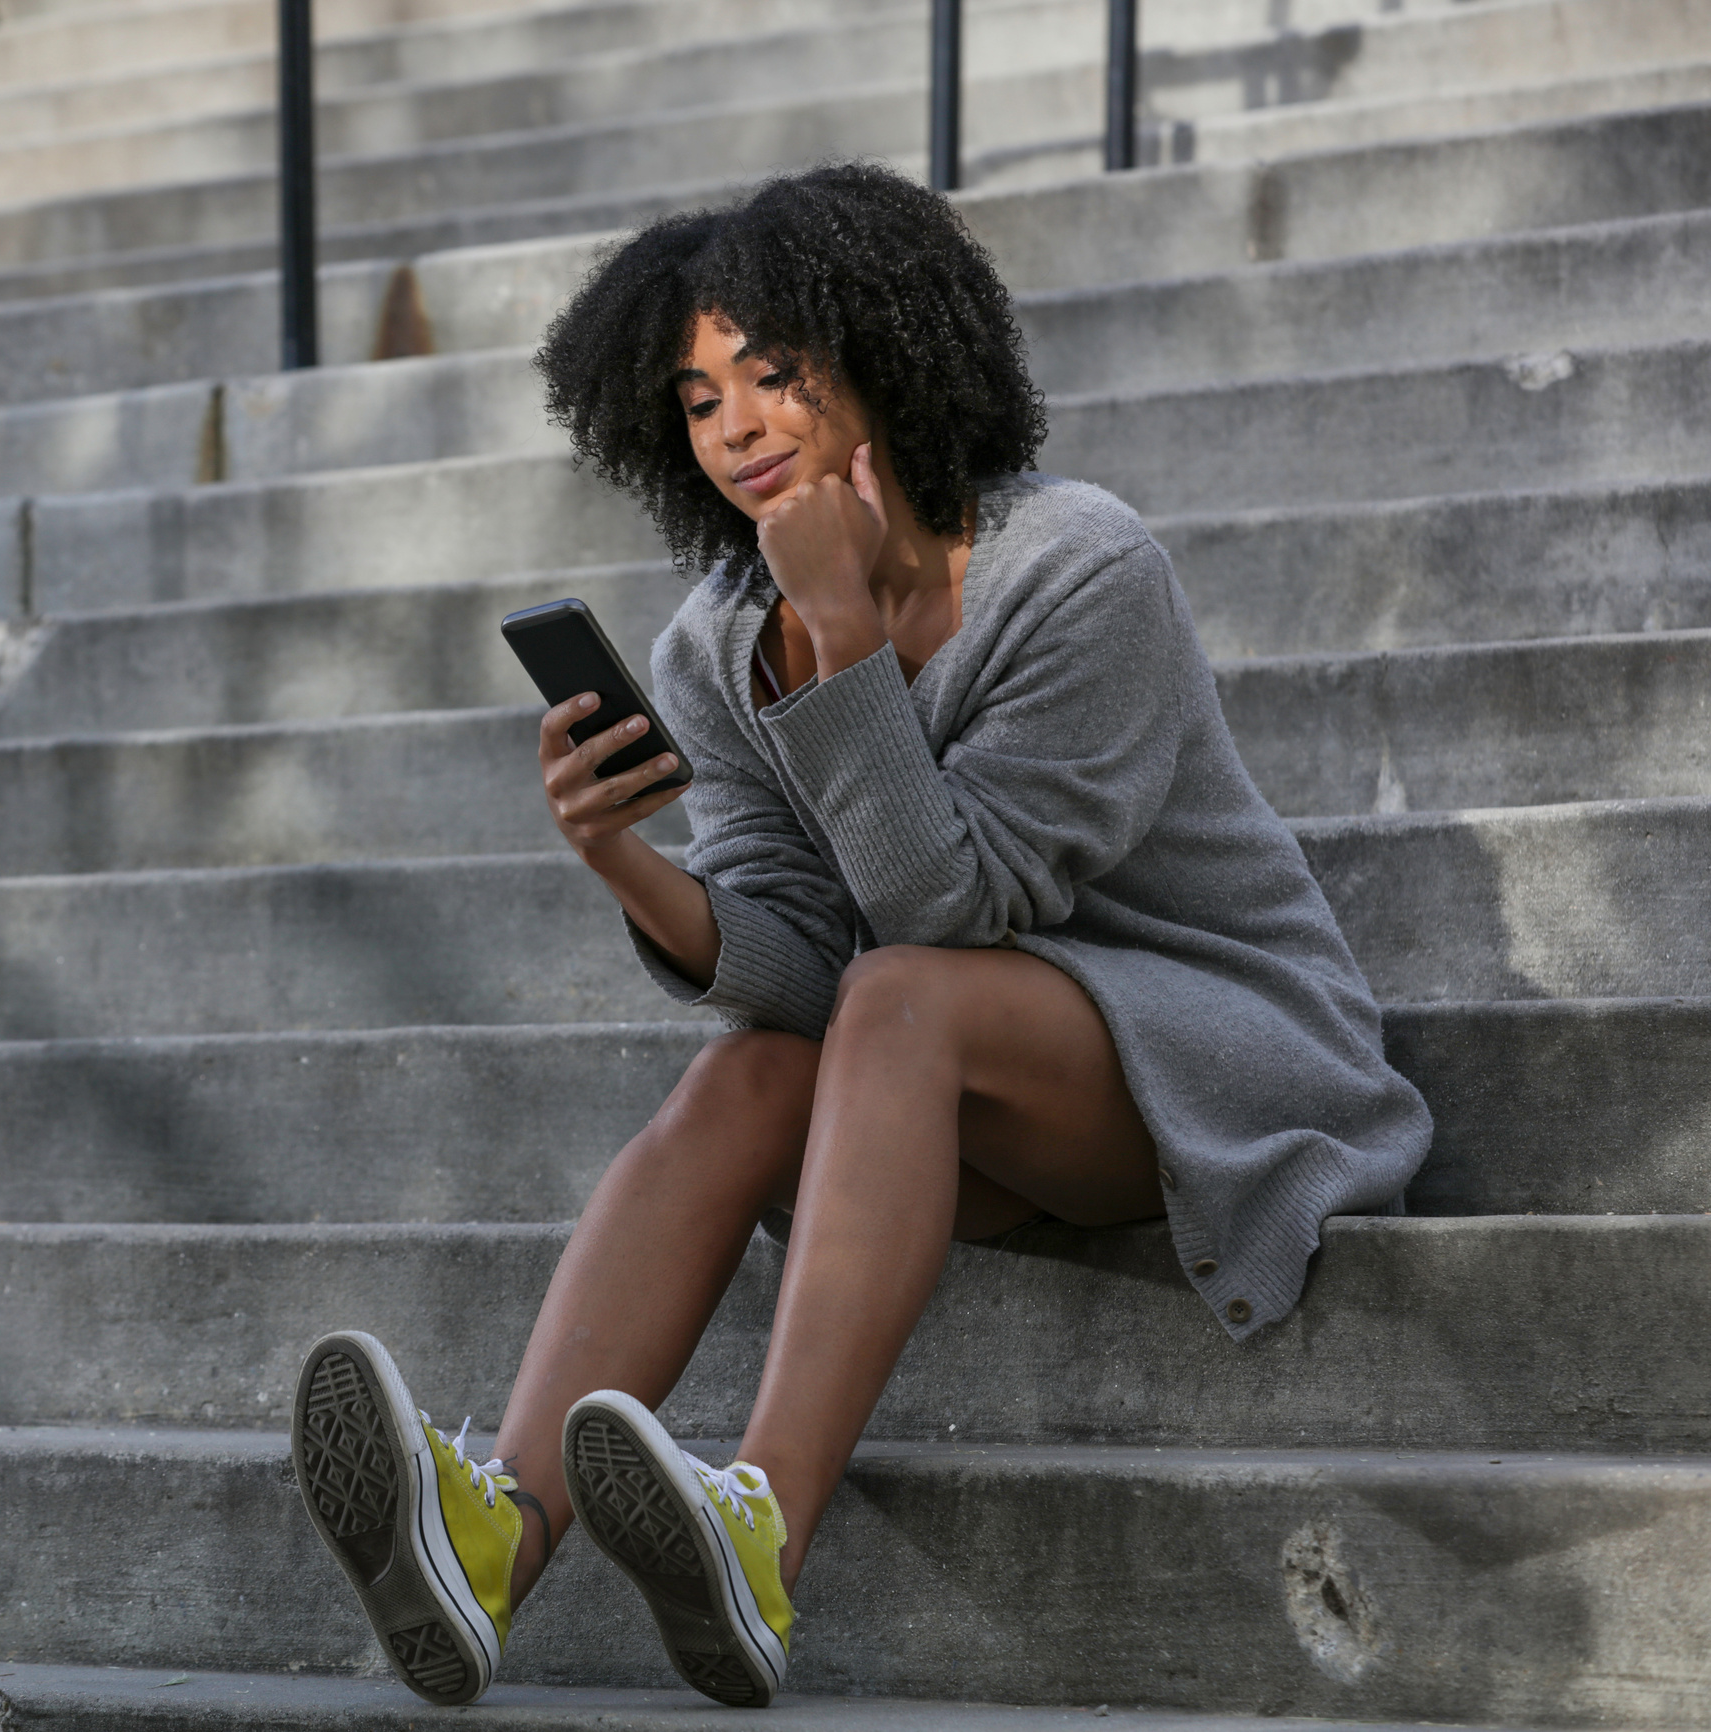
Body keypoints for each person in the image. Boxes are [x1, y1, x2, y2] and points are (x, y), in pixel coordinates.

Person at [287, 162, 1432, 1711]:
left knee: (904, 994)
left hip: (1215, 1063)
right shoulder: (713, 642)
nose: (736, 427)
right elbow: (806, 968)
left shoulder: (1075, 571)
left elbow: (951, 910)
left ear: (882, 359)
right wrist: (623, 860)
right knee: (749, 1081)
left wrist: (838, 645)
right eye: (696, 399)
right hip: (958, 1079)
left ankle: (758, 1529)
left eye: (773, 375)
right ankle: (497, 1527)